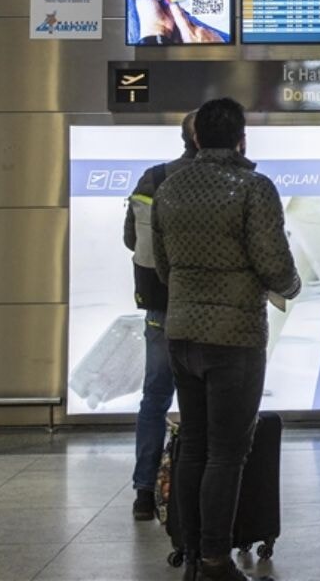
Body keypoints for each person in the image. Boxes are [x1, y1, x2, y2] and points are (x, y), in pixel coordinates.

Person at [153, 98, 300, 581]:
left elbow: (163, 266)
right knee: (227, 453)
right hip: (234, 337)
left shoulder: (169, 188)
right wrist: (291, 286)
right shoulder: (254, 188)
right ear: (242, 139)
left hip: (181, 334)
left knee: (193, 445)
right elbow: (274, 264)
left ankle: (193, 554)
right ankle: (216, 560)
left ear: (196, 137)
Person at [123, 111, 197, 521]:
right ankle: (196, 494)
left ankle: (144, 492)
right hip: (206, 308)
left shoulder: (154, 178)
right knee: (204, 400)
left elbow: (131, 239)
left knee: (155, 397)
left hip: (160, 305)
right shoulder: (230, 181)